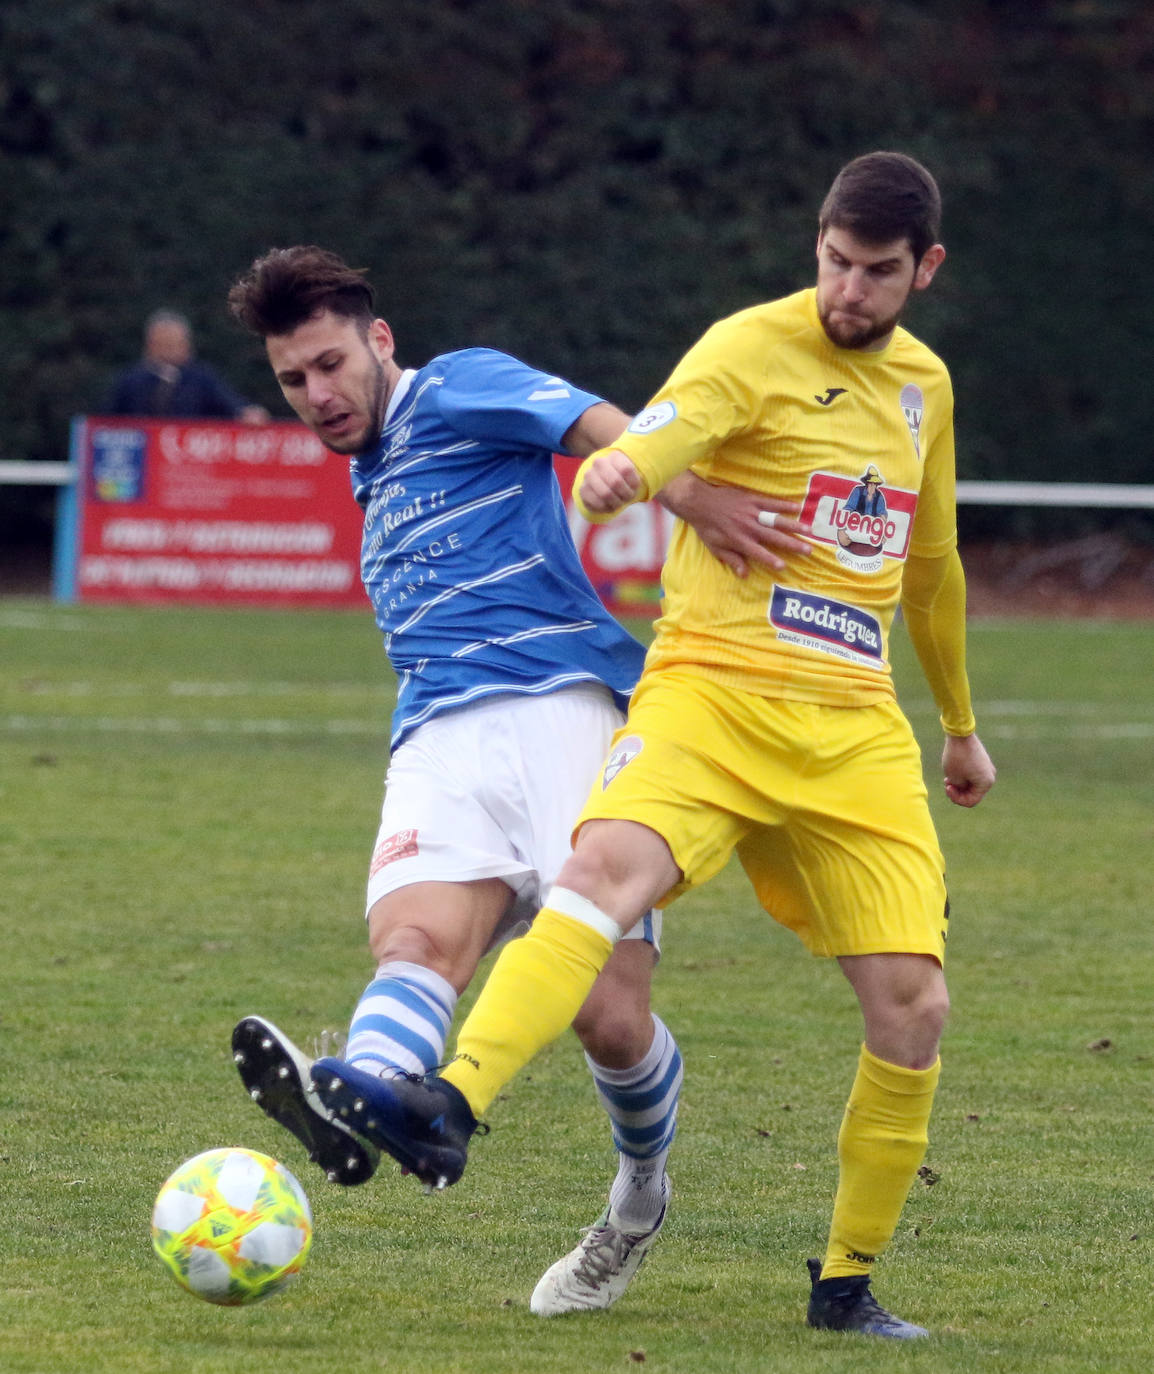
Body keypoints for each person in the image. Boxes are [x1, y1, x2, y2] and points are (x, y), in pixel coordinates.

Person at [309, 152, 998, 1339]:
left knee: (912, 1008)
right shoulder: (744, 346)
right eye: (833, 261)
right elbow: (654, 442)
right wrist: (622, 476)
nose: (847, 290)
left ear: (922, 269)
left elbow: (929, 569)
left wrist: (959, 727)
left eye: (875, 272)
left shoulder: (921, 388)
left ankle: (844, 1286)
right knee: (597, 877)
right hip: (709, 694)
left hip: (852, 729)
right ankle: (449, 1104)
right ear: (816, 241)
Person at [224, 245, 809, 1315]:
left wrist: (694, 497)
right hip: (434, 734)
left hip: (562, 706)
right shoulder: (368, 465)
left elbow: (598, 427)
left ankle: (638, 1197)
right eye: (292, 379)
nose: (316, 394)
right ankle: (368, 1095)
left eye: (329, 365)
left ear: (379, 340)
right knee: (412, 942)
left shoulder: (457, 385)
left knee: (609, 1018)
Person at [105, 309, 270, 422]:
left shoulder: (201, 379)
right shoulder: (131, 380)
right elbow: (106, 420)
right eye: (163, 344)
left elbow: (230, 404)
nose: (169, 351)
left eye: (174, 344)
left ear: (187, 345)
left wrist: (248, 413)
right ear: (149, 345)